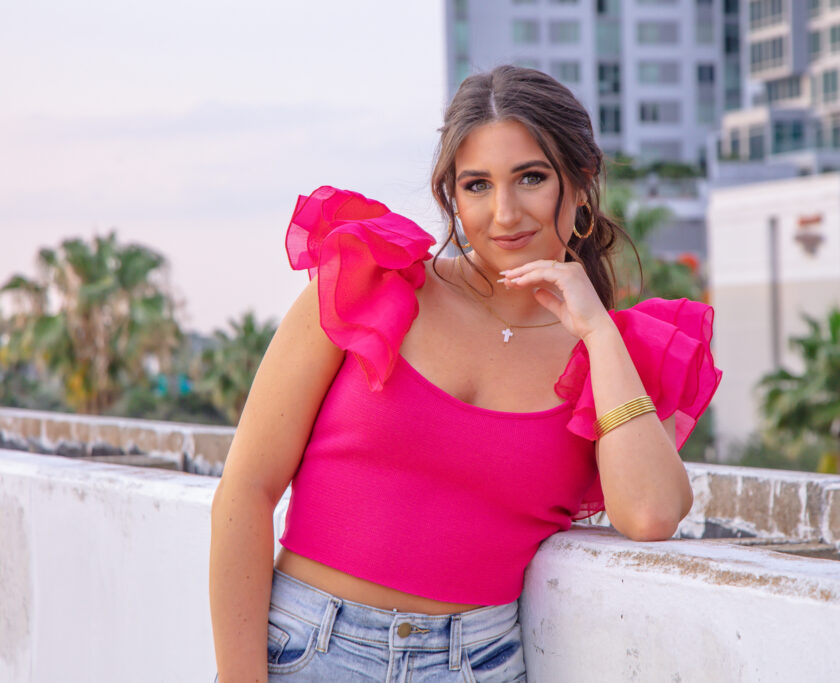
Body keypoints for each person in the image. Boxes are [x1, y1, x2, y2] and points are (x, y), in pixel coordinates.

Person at [209, 65, 721, 682]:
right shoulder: (373, 282)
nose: (504, 214)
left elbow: (651, 514)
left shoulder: (617, 355)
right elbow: (246, 488)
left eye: (531, 178)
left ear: (581, 186)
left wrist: (598, 331)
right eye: (477, 185)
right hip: (308, 651)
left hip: (477, 664)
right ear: (452, 195)